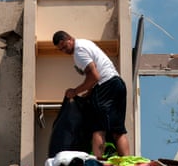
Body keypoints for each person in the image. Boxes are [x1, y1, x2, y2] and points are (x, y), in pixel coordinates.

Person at [52, 30, 130, 158]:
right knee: (118, 130)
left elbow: (94, 76)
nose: (65, 51)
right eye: (61, 50)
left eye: (65, 47)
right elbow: (97, 74)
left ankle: (98, 163)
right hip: (117, 84)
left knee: (98, 128)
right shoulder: (85, 43)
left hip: (106, 86)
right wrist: (89, 91)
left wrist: (75, 91)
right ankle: (127, 163)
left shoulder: (79, 52)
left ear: (70, 39)